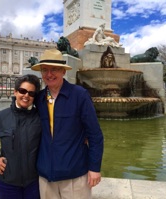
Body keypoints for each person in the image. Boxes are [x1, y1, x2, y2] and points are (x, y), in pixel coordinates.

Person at [31, 49, 104, 199]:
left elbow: (95, 135)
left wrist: (94, 168)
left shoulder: (80, 95)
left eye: (54, 70)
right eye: (45, 70)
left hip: (74, 175)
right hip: (46, 176)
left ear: (63, 71)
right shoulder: (39, 98)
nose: (49, 74)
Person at [0, 74, 42, 199]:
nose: (26, 95)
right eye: (23, 91)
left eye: (31, 93)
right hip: (8, 183)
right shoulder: (1, 118)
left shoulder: (40, 118)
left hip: (34, 183)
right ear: (15, 92)